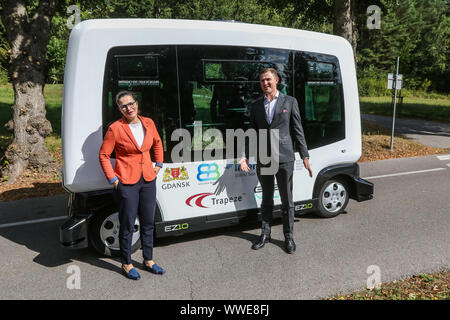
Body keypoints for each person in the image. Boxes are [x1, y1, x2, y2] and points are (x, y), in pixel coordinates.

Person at [240, 68, 313, 254]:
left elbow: (298, 130)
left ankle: (288, 237)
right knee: (266, 199)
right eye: (262, 80)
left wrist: (305, 155)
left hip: (284, 159)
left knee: (287, 200)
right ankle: (265, 234)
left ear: (276, 80)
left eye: (268, 79)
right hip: (264, 158)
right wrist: (244, 155)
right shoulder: (256, 105)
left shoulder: (290, 101)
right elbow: (252, 133)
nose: (265, 83)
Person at [99, 90, 165, 280]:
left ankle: (148, 260)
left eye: (131, 103)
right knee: (127, 224)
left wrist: (158, 164)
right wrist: (113, 179)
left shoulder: (148, 123)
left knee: (147, 222)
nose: (129, 108)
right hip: (126, 181)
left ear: (137, 103)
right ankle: (127, 263)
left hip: (148, 179)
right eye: (123, 106)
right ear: (119, 109)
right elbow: (104, 155)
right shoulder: (115, 128)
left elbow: (158, 143)